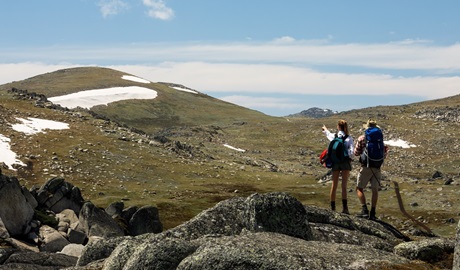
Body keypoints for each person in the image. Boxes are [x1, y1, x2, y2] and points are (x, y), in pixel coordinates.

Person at [354, 119, 388, 220]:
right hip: (377, 167)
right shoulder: (380, 140)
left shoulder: (362, 138)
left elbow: (356, 152)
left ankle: (364, 210)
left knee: (359, 188)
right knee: (375, 190)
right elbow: (384, 154)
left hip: (366, 167)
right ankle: (373, 213)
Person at [322, 119, 354, 214]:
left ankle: (333, 208)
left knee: (334, 185)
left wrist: (325, 129)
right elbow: (352, 153)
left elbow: (328, 134)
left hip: (335, 162)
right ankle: (345, 208)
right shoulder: (349, 138)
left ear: (338, 127)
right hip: (345, 163)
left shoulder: (334, 136)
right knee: (344, 185)